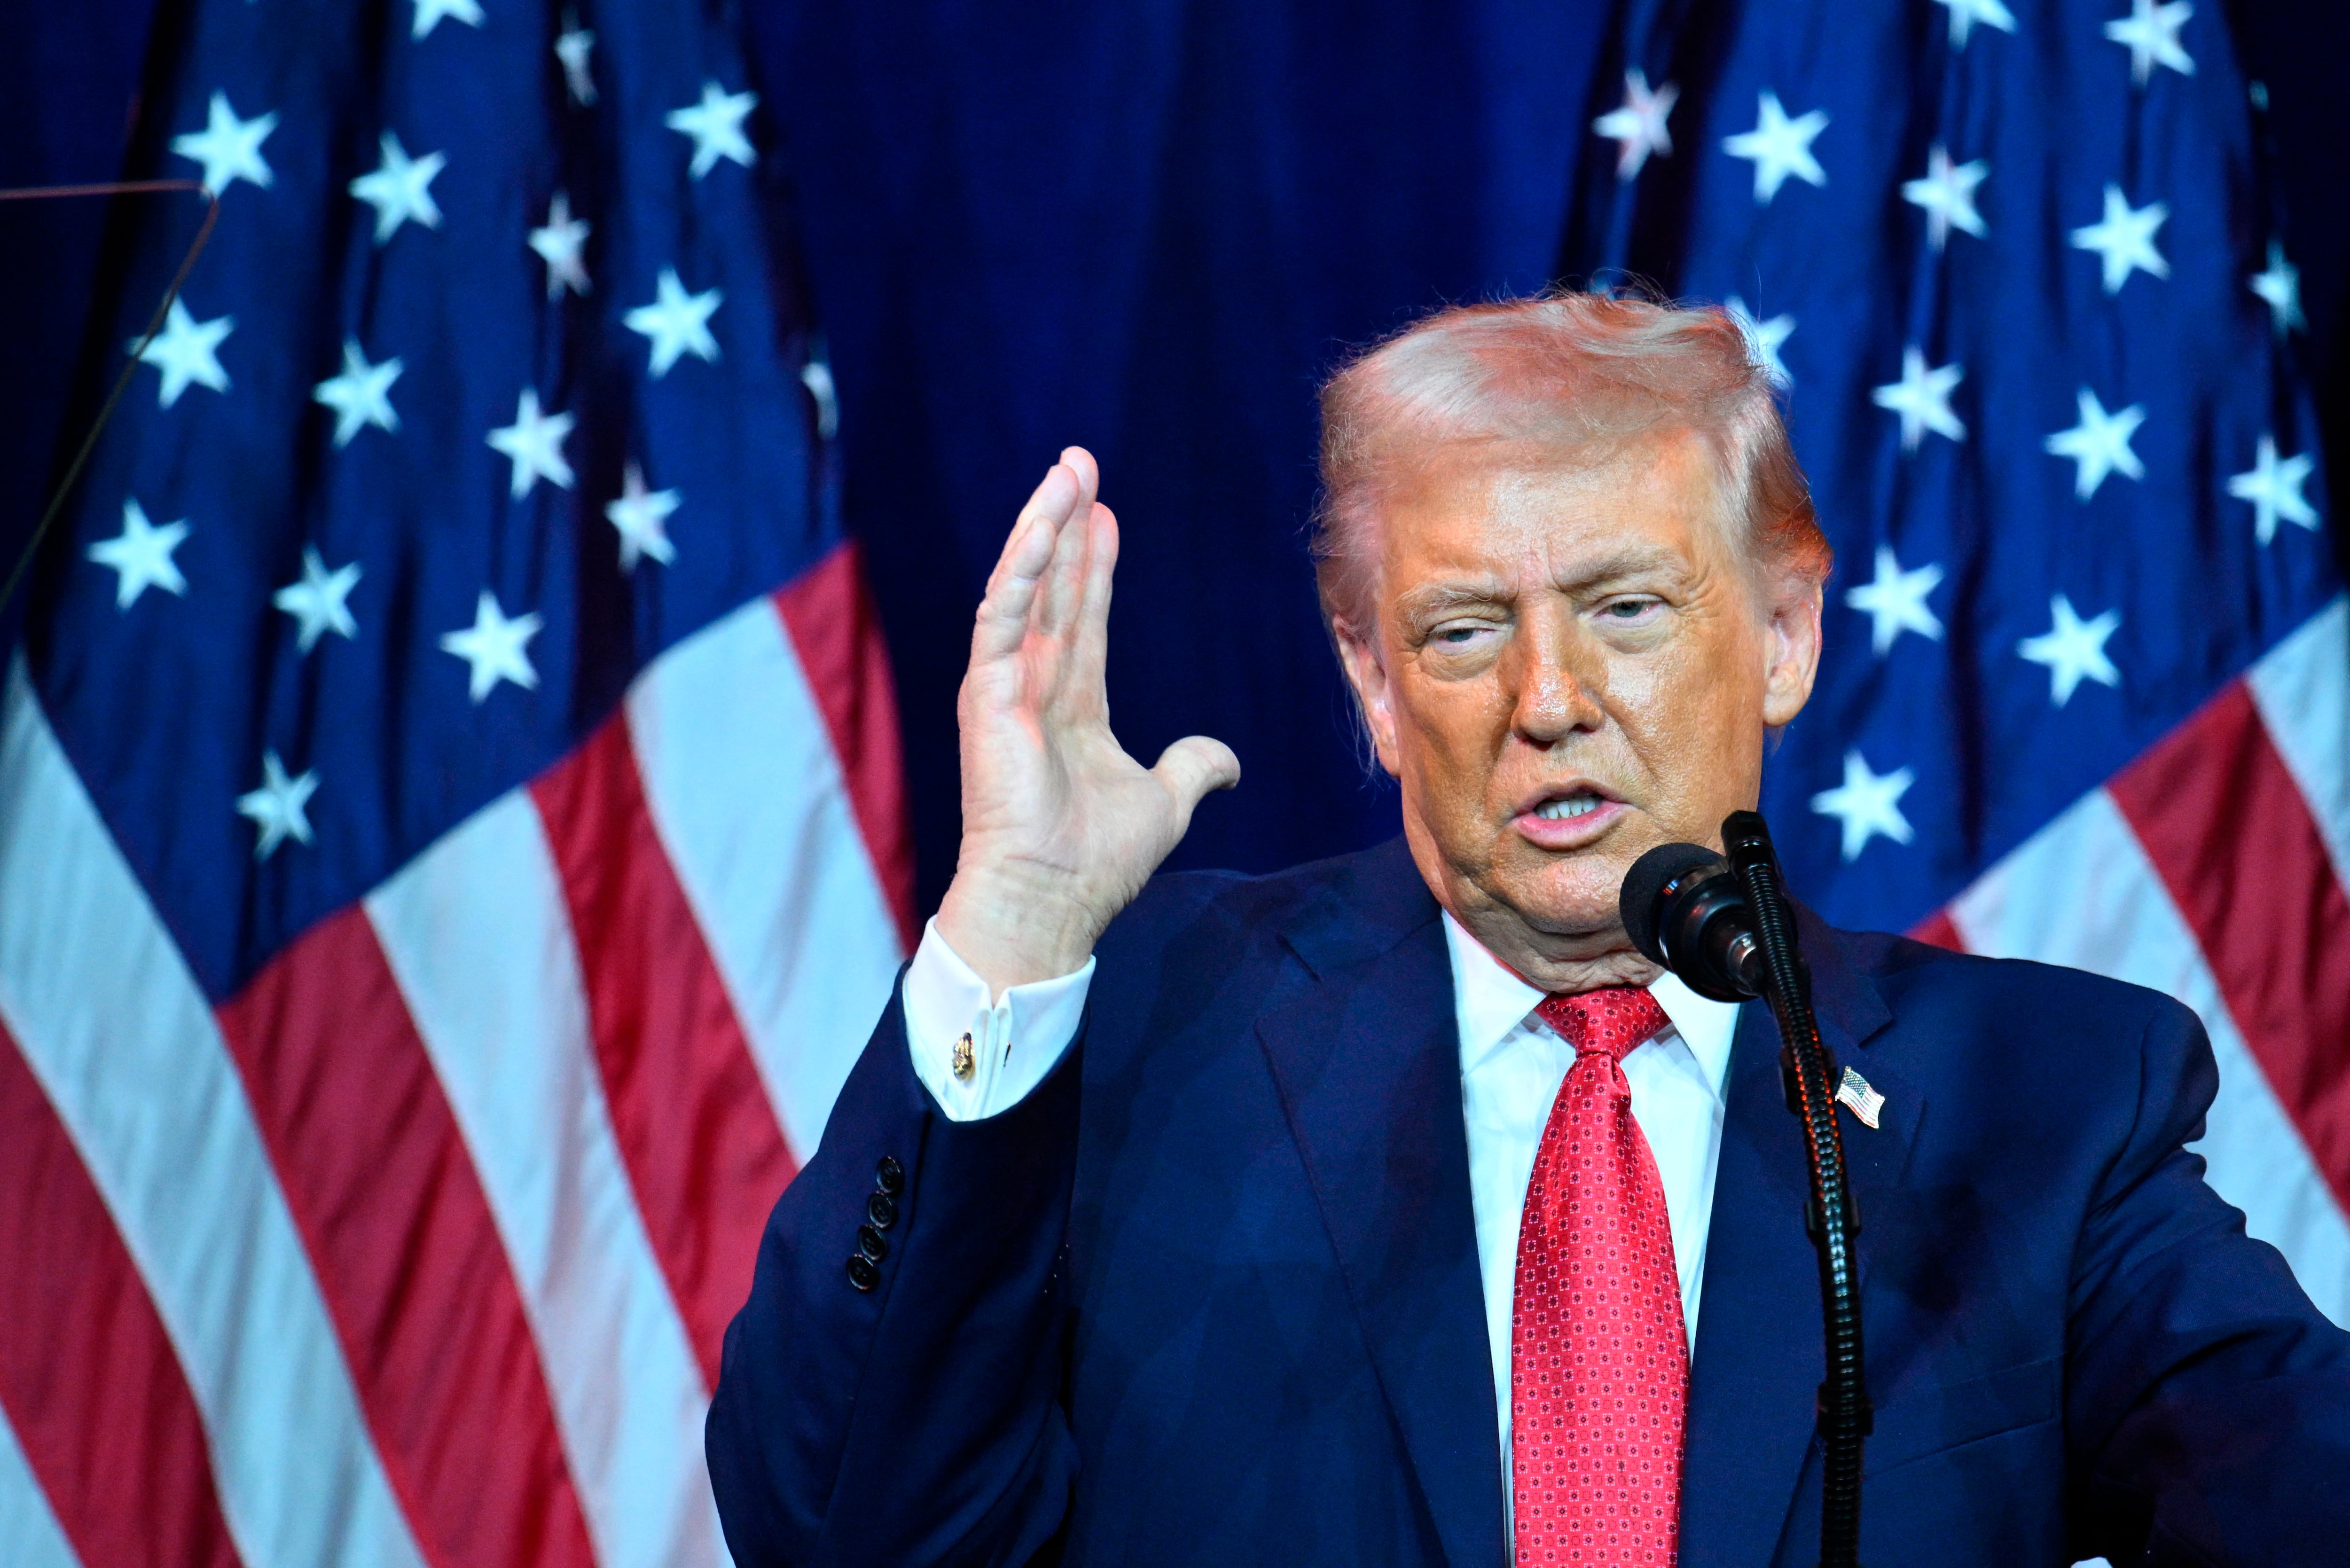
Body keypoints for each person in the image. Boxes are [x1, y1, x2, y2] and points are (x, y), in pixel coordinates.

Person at [704, 294, 2350, 1567]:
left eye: (1626, 610)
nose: (1547, 701)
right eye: (1464, 627)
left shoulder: (2044, 1102)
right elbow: (837, 1522)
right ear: (1371, 681)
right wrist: (1015, 925)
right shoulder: (1131, 1025)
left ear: (1784, 632)